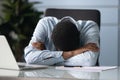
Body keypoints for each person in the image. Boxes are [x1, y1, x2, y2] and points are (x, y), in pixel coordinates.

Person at [24, 16, 100, 66]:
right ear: (51, 36)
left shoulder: (90, 27)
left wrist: (47, 59)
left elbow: (89, 60)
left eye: (71, 50)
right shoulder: (45, 23)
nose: (65, 53)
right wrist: (74, 53)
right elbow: (29, 57)